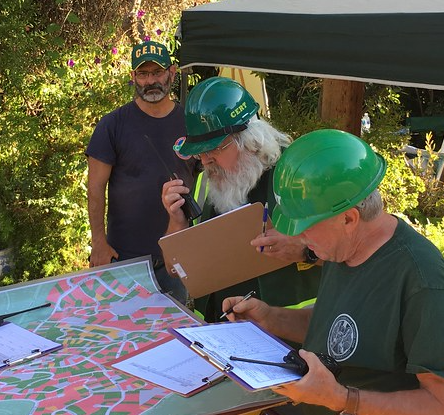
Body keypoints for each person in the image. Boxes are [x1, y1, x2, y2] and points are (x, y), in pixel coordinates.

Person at [223, 129, 444, 415]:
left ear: (350, 217)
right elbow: (339, 330)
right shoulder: (342, 251)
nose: (297, 237)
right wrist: (270, 318)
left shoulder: (423, 281)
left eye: (306, 225)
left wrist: (339, 399)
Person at [160, 76, 321, 321]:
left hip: (289, 337)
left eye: (214, 148)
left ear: (251, 140)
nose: (205, 161)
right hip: (220, 332)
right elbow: (175, 269)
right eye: (200, 152)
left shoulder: (299, 174)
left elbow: (356, 254)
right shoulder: (208, 182)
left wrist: (305, 251)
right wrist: (177, 222)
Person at [86, 40, 193, 298]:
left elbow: (212, 177)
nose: (150, 81)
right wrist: (98, 242)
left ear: (172, 71)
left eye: (157, 72)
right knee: (122, 330)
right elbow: (95, 188)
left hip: (177, 258)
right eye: (143, 74)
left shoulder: (191, 122)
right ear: (133, 77)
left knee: (176, 333)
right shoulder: (112, 125)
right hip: (125, 261)